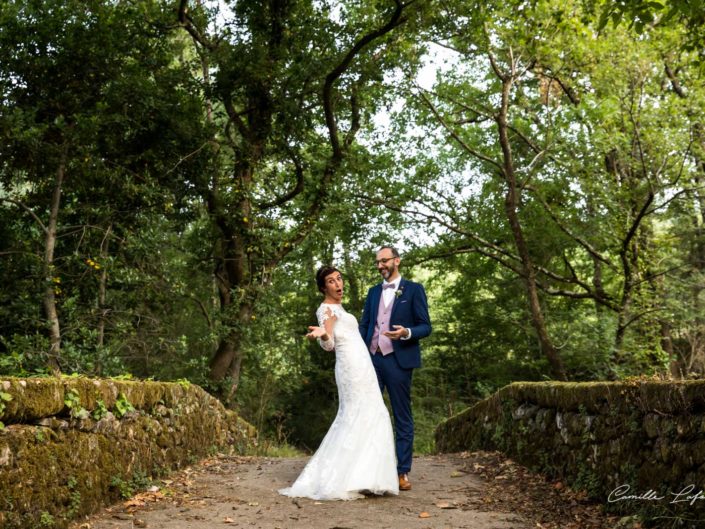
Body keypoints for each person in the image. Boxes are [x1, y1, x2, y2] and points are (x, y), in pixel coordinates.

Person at [278, 266, 398, 500]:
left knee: (374, 412)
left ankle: (368, 477)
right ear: (324, 287)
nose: (337, 284)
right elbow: (329, 344)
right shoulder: (325, 309)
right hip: (349, 366)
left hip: (364, 366)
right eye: (331, 281)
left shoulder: (339, 308)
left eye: (339, 279)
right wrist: (323, 333)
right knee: (355, 414)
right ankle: (346, 477)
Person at [358, 246, 432, 491]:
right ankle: (369, 471)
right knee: (368, 415)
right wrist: (357, 354)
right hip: (372, 360)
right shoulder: (371, 293)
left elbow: (425, 326)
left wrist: (406, 333)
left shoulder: (414, 290)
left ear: (396, 261)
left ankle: (402, 472)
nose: (380, 266)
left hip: (398, 361)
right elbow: (365, 325)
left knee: (402, 417)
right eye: (377, 262)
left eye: (384, 261)